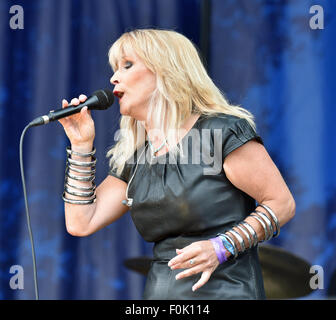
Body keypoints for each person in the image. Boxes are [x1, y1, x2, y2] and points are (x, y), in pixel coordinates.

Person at [58, 29, 295, 299]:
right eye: (114, 68)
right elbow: (81, 222)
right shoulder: (136, 157)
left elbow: (281, 203)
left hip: (227, 291)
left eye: (127, 65)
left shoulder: (220, 132)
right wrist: (80, 145)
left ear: (166, 70)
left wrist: (222, 247)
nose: (114, 77)